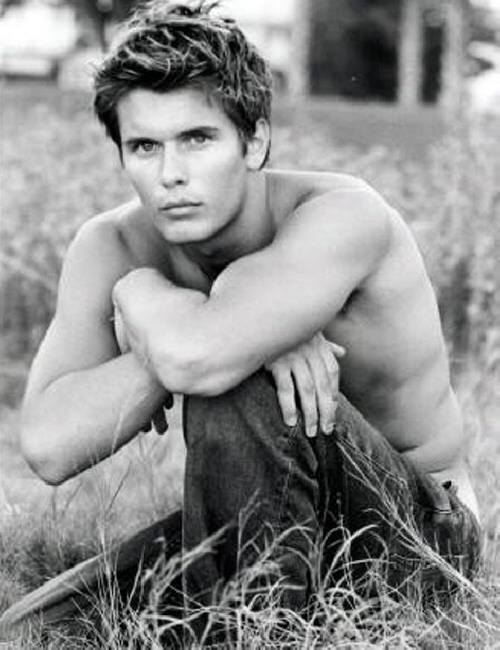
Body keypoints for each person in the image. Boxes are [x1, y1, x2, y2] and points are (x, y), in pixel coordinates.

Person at [15, 0, 480, 639]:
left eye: (198, 139)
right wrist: (156, 299)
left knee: (235, 380)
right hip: (264, 513)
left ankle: (257, 633)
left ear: (254, 141)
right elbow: (48, 446)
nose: (171, 175)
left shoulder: (343, 215)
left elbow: (198, 359)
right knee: (39, 629)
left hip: (416, 533)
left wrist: (156, 311)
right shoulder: (113, 247)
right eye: (144, 147)